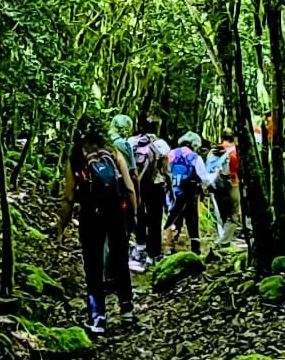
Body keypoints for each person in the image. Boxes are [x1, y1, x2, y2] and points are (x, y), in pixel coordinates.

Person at [60, 119, 137, 333]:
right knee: (120, 259)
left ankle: (98, 319)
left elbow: (68, 196)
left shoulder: (76, 158)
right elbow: (129, 188)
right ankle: (127, 313)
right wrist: (134, 214)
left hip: (90, 215)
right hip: (117, 213)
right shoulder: (113, 153)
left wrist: (61, 226)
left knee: (93, 265)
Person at [128, 116, 170, 265]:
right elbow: (166, 169)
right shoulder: (161, 144)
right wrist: (169, 183)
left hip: (136, 185)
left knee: (139, 215)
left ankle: (140, 247)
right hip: (155, 185)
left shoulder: (131, 142)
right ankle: (153, 253)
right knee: (155, 219)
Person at [166, 132, 217, 254]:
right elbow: (204, 178)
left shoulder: (171, 154)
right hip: (190, 192)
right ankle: (195, 248)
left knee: (174, 218)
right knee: (192, 219)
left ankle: (170, 247)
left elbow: (166, 171)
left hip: (174, 191)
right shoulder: (195, 157)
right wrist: (215, 176)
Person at [210, 130, 242, 246]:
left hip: (217, 184)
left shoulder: (214, 150)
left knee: (221, 211)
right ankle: (224, 241)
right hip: (233, 183)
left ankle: (222, 235)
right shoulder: (236, 151)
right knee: (233, 213)